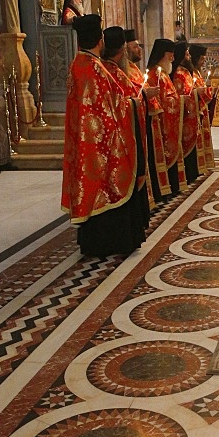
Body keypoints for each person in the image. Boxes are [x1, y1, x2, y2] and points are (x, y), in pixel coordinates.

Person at [61, 14, 147, 257]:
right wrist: (136, 103)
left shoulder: (78, 64)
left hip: (85, 141)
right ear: (99, 40)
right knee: (106, 188)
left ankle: (94, 241)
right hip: (101, 144)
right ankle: (111, 242)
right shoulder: (94, 69)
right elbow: (111, 108)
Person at [101, 25, 150, 227]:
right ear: (122, 50)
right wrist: (136, 102)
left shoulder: (107, 70)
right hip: (121, 138)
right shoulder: (113, 73)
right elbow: (118, 103)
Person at [125, 28, 171, 207]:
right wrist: (146, 94)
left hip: (149, 118)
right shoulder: (125, 71)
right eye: (136, 47)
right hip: (141, 121)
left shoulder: (134, 69)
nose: (139, 50)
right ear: (126, 48)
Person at [147, 38, 185, 197]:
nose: (174, 59)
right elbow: (162, 100)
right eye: (171, 55)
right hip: (161, 124)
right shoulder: (156, 74)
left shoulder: (162, 74)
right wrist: (177, 101)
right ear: (164, 54)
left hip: (167, 122)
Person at [172, 40, 206, 183]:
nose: (189, 57)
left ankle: (194, 171)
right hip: (185, 116)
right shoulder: (179, 73)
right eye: (186, 54)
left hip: (192, 115)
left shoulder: (186, 71)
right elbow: (181, 94)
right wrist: (195, 93)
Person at [189, 43, 216, 171]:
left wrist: (210, 91)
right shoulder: (191, 75)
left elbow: (203, 94)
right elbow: (193, 93)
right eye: (201, 60)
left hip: (202, 112)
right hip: (196, 113)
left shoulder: (197, 74)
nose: (202, 63)